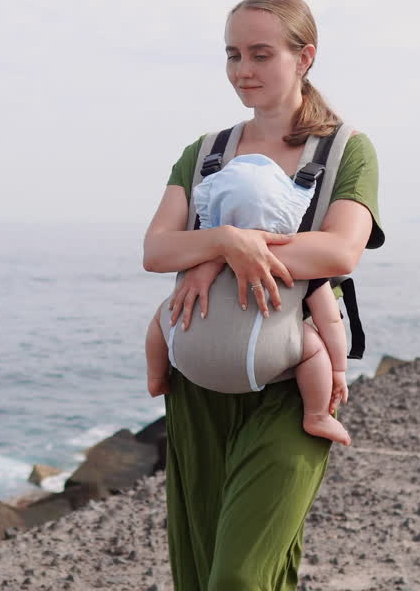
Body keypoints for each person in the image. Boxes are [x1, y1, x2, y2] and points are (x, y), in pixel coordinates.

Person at [142, 0, 383, 591]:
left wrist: (222, 250)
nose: (242, 71)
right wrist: (226, 240)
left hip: (289, 389)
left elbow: (339, 250)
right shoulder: (203, 154)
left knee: (240, 577)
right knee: (200, 572)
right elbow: (156, 251)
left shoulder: (347, 151)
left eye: (260, 54)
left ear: (304, 58)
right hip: (198, 386)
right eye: (232, 55)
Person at [143, 152, 352, 446]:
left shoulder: (201, 256)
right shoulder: (298, 263)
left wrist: (212, 254)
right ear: (290, 210)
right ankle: (317, 415)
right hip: (258, 363)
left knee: (161, 315)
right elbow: (330, 320)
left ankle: (156, 377)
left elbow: (156, 256)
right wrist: (339, 370)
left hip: (186, 360)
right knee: (313, 345)